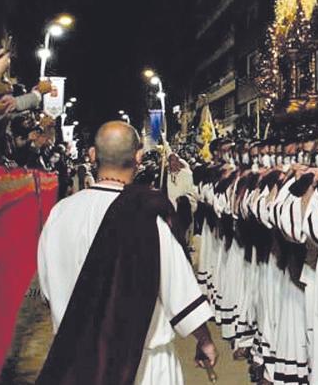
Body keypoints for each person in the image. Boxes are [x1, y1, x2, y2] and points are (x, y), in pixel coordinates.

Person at [36, 121, 218, 384]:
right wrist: (204, 339)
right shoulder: (145, 214)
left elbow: (47, 290)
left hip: (77, 362)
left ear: (92, 155)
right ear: (139, 157)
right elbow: (177, 287)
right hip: (143, 365)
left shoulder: (59, 214)